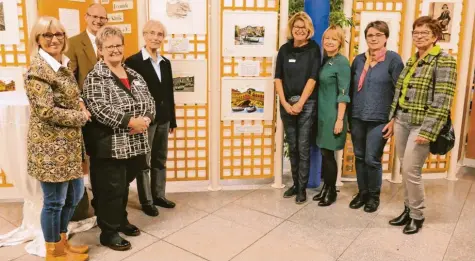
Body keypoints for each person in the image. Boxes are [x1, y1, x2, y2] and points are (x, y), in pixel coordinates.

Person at [82, 26, 155, 250]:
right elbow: (99, 108)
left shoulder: (133, 73)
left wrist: (147, 119)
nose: (115, 49)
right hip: (109, 145)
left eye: (118, 45)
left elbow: (149, 100)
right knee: (109, 188)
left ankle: (120, 220)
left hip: (134, 144)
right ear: (100, 50)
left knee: (123, 186)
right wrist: (131, 122)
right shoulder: (95, 77)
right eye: (109, 46)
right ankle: (109, 231)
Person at [25, 16, 89, 261]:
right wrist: (80, 115)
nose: (54, 39)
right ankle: (54, 252)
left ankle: (62, 242)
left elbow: (70, 95)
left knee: (75, 195)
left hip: (69, 145)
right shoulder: (38, 69)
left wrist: (80, 101)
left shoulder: (62, 63)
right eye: (47, 35)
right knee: (54, 202)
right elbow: (45, 110)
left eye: (59, 34)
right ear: (38, 40)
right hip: (49, 147)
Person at [387, 16, 456, 234]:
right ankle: (407, 209)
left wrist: (428, 131)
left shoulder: (444, 60)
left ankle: (417, 215)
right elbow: (400, 93)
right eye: (416, 33)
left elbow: (443, 99)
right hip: (402, 121)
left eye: (424, 33)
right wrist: (392, 118)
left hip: (421, 125)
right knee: (405, 168)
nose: (419, 36)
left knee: (411, 169)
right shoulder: (412, 59)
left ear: (435, 36)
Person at [348, 21, 404, 212]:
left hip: (379, 119)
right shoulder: (358, 60)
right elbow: (351, 89)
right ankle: (362, 192)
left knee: (372, 158)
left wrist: (394, 119)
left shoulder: (393, 60)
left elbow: (400, 91)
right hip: (357, 116)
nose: (373, 38)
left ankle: (373, 195)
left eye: (378, 35)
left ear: (386, 37)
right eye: (370, 35)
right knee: (359, 156)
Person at [125, 20, 177, 217]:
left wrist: (172, 120)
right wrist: (137, 119)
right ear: (144, 35)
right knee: (144, 162)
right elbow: (131, 95)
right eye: (152, 33)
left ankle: (159, 195)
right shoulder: (132, 62)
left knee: (160, 159)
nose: (156, 37)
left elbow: (169, 93)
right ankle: (146, 200)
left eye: (160, 34)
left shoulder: (166, 63)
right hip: (145, 120)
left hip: (163, 119)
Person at [65, 3, 108, 221]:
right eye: (94, 16)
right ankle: (80, 210)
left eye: (103, 18)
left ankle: (102, 204)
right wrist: (81, 103)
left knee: (102, 161)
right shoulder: (72, 43)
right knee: (82, 162)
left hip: (108, 112)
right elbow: (69, 80)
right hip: (85, 113)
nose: (98, 21)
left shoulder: (109, 42)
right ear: (86, 17)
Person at [275, 11, 321, 204]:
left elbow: (313, 78)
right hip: (286, 103)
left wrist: (300, 102)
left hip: (306, 104)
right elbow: (277, 78)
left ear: (309, 29)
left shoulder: (313, 49)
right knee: (292, 146)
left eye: (303, 27)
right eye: (296, 27)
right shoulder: (284, 49)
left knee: (302, 147)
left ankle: (301, 188)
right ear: (292, 29)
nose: (300, 30)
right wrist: (285, 103)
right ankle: (295, 184)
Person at [312, 25, 350, 207]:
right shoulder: (326, 61)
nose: (329, 41)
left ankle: (332, 191)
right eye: (326, 38)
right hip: (322, 113)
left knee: (329, 154)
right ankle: (326, 187)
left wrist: (340, 119)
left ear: (340, 42)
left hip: (333, 114)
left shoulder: (342, 62)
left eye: (334, 39)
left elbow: (344, 92)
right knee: (324, 152)